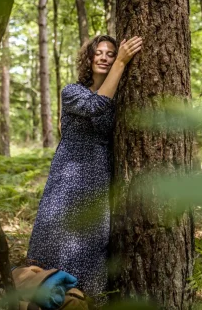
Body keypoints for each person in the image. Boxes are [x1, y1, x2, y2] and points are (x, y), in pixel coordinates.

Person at [25, 35, 143, 307]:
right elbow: (94, 105)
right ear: (88, 59)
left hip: (99, 182)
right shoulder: (72, 92)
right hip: (67, 180)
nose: (104, 57)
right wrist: (122, 63)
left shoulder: (122, 100)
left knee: (91, 250)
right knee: (55, 245)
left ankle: (84, 303)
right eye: (98, 53)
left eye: (111, 53)